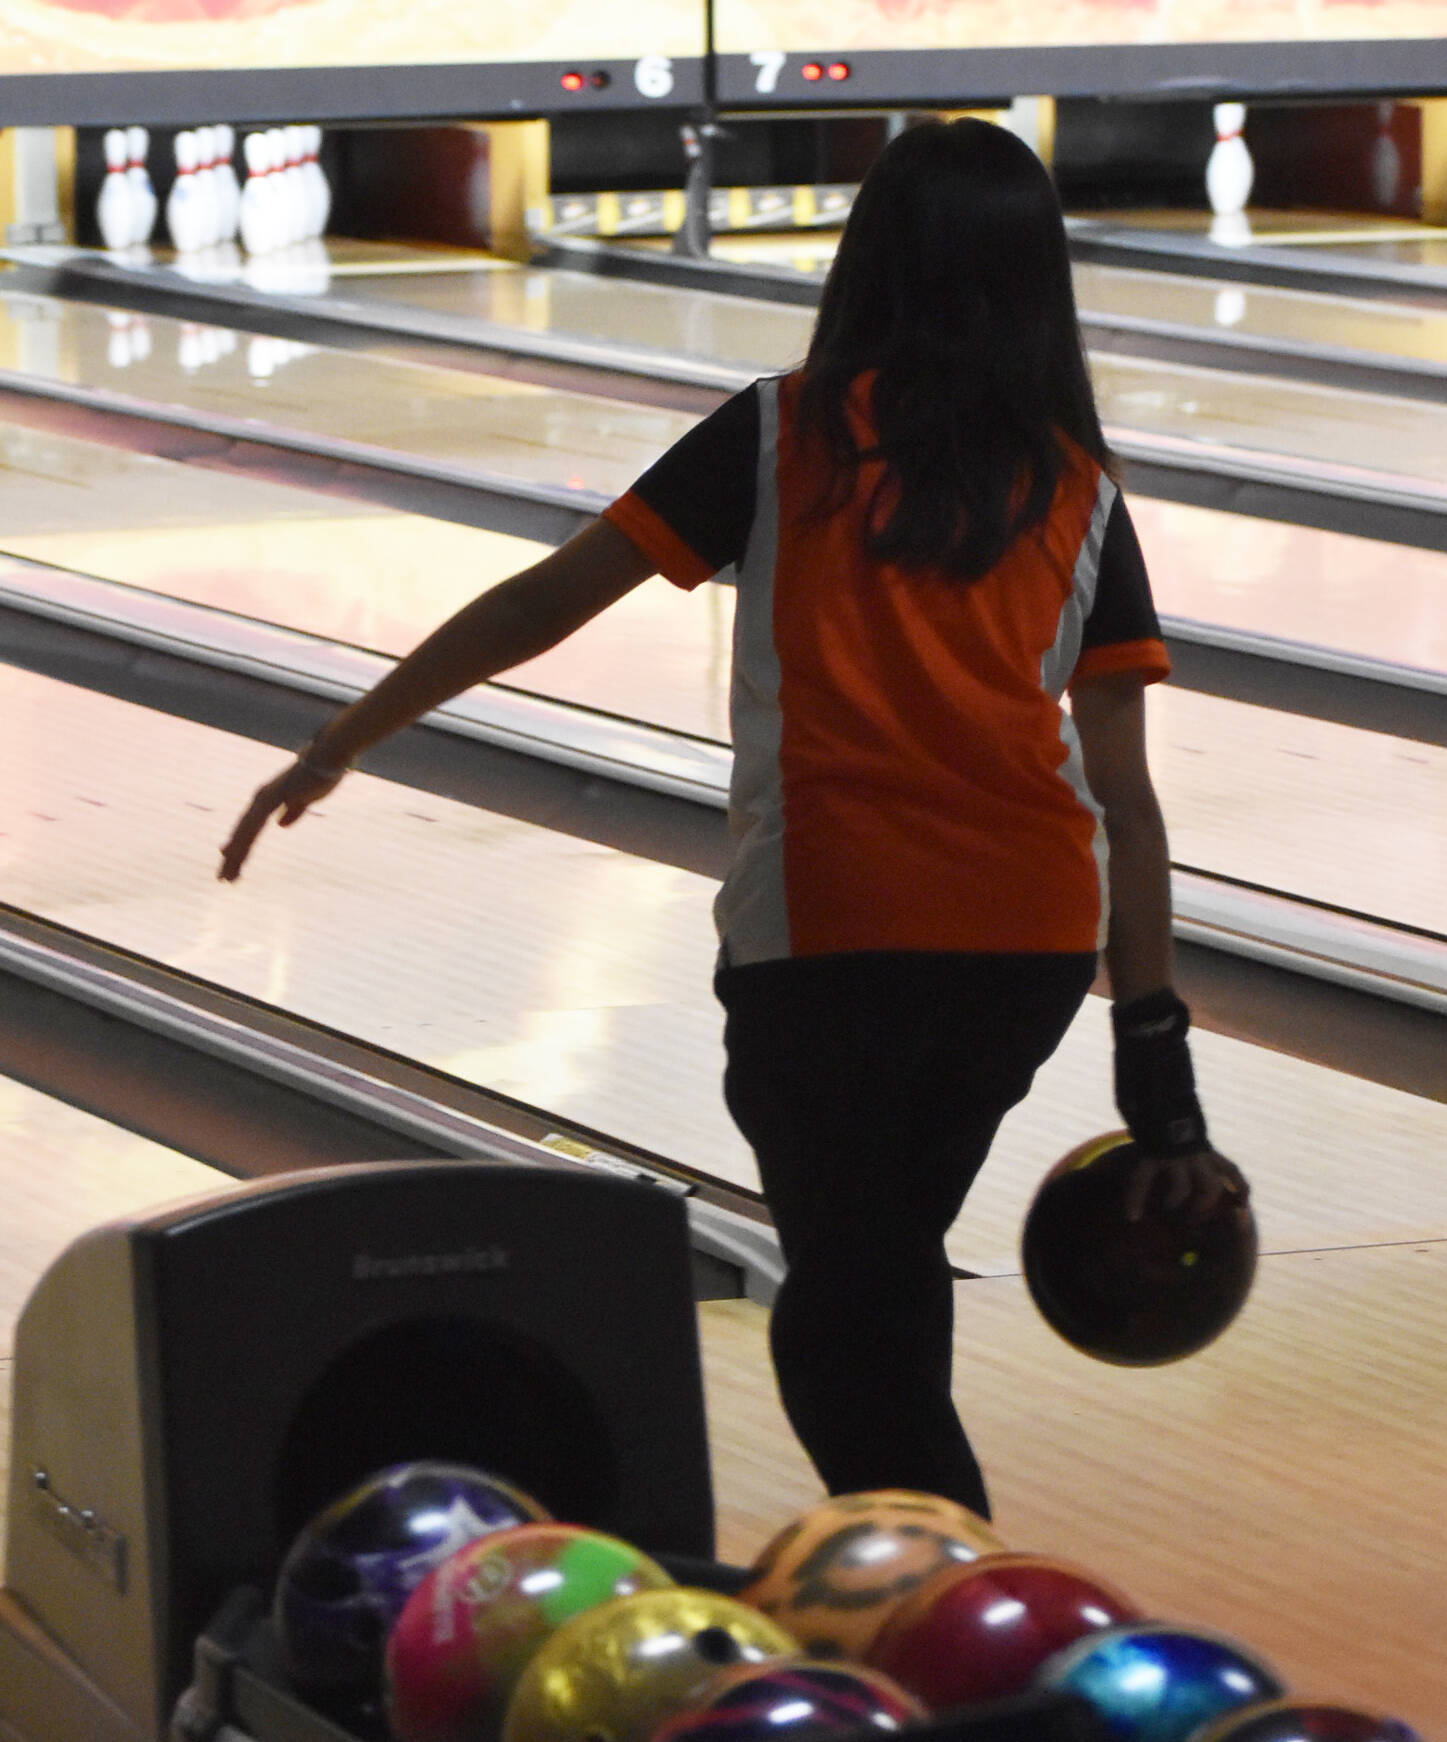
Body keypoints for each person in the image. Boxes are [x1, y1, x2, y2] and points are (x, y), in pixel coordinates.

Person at [221, 118, 1246, 1522]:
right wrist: (1155, 1060)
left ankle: (959, 1606)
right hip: (1024, 951)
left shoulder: (784, 430)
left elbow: (543, 602)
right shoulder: (1080, 488)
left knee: (840, 1310)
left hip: (829, 931)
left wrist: (344, 736)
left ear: (871, 255)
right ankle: (926, 1599)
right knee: (876, 1282)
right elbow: (1126, 804)